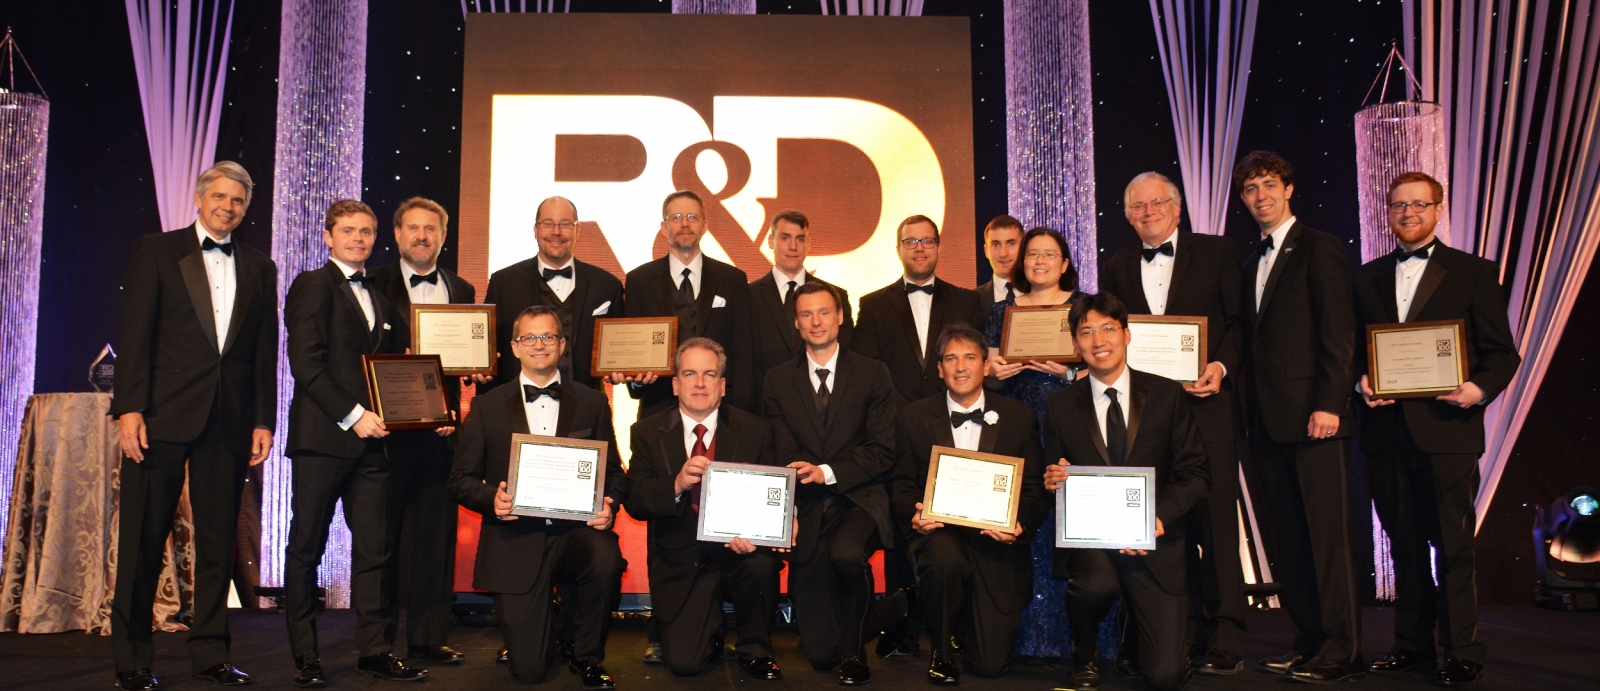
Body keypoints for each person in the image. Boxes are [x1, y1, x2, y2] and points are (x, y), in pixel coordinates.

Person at [109, 161, 278, 691]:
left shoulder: (260, 266)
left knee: (218, 541)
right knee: (141, 539)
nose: (228, 207)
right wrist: (129, 407)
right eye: (220, 197)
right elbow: (135, 332)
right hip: (160, 415)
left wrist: (262, 419)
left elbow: (261, 353)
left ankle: (210, 655)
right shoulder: (157, 250)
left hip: (227, 421)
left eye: (238, 201)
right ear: (200, 199)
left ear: (245, 209)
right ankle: (133, 659)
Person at [1353, 172, 1520, 687]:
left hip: (1448, 430)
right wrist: (1361, 382)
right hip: (1386, 430)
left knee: (1453, 545)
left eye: (1419, 204)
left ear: (1438, 208)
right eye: (1398, 205)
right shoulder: (1366, 277)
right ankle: (1412, 645)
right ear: (1388, 212)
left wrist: (1477, 389)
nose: (1408, 213)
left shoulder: (1472, 272)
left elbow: (1502, 355)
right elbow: (1353, 350)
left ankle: (1463, 649)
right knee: (1403, 545)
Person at [1099, 172, 1248, 675]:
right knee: (1162, 520)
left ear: (1177, 208)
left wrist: (1220, 368)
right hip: (1149, 418)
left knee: (1218, 523)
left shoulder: (1219, 253)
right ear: (1126, 215)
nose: (1148, 211)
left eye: (1157, 202)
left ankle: (1227, 630)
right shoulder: (1116, 266)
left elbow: (1239, 324)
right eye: (1137, 206)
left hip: (1210, 409)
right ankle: (1178, 628)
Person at [282, 200, 424, 686]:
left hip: (374, 446)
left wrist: (430, 408)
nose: (358, 239)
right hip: (324, 441)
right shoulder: (311, 286)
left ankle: (375, 650)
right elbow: (306, 364)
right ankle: (305, 654)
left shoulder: (382, 299)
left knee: (376, 551)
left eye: (366, 231)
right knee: (306, 548)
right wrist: (353, 415)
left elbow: (400, 370)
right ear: (328, 236)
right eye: (348, 231)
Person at [1235, 150, 1363, 683]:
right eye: (1250, 189)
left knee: (1327, 539)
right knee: (1290, 539)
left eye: (1268, 185)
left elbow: (1339, 334)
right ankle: (1309, 640)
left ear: (1289, 189)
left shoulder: (1320, 248)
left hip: (1315, 420)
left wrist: (1330, 404)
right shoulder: (1250, 261)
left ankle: (1343, 650)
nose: (1260, 196)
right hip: (1266, 423)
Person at [449, 306, 626, 688]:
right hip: (515, 538)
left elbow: (614, 474)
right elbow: (460, 480)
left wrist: (609, 504)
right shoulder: (486, 406)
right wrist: (490, 499)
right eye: (529, 337)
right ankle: (540, 640)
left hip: (575, 533)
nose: (539, 345)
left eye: (548, 336)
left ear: (562, 345)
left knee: (605, 558)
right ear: (514, 347)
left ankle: (587, 655)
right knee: (530, 672)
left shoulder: (592, 402)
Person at [1042, 292, 1210, 691]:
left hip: (1154, 540)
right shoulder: (1060, 405)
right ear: (1075, 344)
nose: (1098, 340)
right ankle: (1085, 652)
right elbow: (1052, 474)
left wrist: (1156, 520)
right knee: (1095, 586)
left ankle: (1136, 637)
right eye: (1086, 332)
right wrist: (1053, 480)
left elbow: (1196, 474)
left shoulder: (1168, 395)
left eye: (1108, 329)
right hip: (1093, 544)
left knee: (1165, 676)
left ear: (1127, 335)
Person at [624, 337, 797, 680]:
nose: (699, 383)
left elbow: (776, 495)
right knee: (686, 664)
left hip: (740, 554)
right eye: (689, 374)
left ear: (722, 385)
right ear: (675, 385)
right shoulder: (646, 432)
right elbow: (636, 501)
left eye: (709, 374)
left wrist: (775, 525)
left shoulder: (757, 430)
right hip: (685, 560)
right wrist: (675, 484)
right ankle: (709, 635)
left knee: (760, 565)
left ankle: (755, 647)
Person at [888, 324, 1047, 684]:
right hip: (941, 536)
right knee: (945, 559)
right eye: (951, 358)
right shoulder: (912, 417)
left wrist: (1019, 523)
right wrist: (914, 514)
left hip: (996, 545)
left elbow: (1035, 487)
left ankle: (961, 624)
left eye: (970, 357)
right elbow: (900, 483)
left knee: (990, 666)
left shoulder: (1019, 418)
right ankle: (942, 651)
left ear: (986, 366)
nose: (961, 366)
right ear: (940, 369)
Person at [763, 282, 899, 684]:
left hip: (860, 497)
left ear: (840, 316)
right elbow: (780, 452)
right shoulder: (776, 380)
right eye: (806, 314)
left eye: (824, 312)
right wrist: (788, 509)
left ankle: (856, 654)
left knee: (845, 554)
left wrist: (829, 471)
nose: (816, 321)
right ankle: (893, 609)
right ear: (796, 323)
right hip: (806, 503)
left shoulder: (873, 373)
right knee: (821, 655)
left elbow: (883, 449)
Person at [365, 197, 474, 666]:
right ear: (397, 234)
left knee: (435, 539)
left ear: (444, 236)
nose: (422, 236)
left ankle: (429, 637)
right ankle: (380, 643)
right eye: (413, 228)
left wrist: (478, 367)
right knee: (384, 540)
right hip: (386, 432)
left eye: (431, 229)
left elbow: (468, 358)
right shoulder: (372, 284)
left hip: (440, 432)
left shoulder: (464, 288)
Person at [981, 225, 1078, 658]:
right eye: (1032, 254)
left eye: (1049, 254)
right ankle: (1024, 635)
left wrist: (1068, 373)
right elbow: (982, 369)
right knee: (1021, 520)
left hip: (1069, 429)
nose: (1039, 261)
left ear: (1065, 263)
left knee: (1067, 526)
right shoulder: (1001, 311)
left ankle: (1077, 637)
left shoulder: (1082, 309)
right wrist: (993, 373)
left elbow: (1106, 364)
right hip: (1016, 430)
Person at [617, 190, 753, 418]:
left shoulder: (733, 279)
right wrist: (636, 381)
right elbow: (634, 352)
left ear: (705, 225)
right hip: (658, 408)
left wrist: (743, 413)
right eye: (676, 217)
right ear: (663, 228)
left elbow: (744, 351)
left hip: (723, 411)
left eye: (692, 217)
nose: (684, 224)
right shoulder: (638, 280)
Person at [482, 196, 623, 391]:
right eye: (548, 224)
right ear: (536, 230)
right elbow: (489, 351)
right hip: (517, 406)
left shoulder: (607, 285)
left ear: (577, 230)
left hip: (587, 408)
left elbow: (621, 353)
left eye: (565, 224)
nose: (556, 232)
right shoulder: (503, 283)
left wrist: (627, 373)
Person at [854, 214, 986, 405]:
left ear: (939, 247)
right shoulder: (873, 305)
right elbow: (867, 368)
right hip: (894, 416)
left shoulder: (967, 301)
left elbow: (975, 360)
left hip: (952, 411)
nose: (919, 248)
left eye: (927, 241)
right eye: (910, 242)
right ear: (898, 250)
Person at [749, 209, 855, 400]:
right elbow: (743, 359)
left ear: (808, 244)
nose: (793, 246)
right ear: (770, 241)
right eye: (785, 238)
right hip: (764, 406)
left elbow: (846, 355)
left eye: (800, 239)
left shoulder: (836, 295)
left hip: (823, 403)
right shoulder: (748, 296)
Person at [975, 214, 1024, 318]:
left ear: (1023, 247)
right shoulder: (972, 300)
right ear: (986, 251)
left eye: (1011, 243)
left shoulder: (1041, 293)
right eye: (996, 245)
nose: (1003, 253)